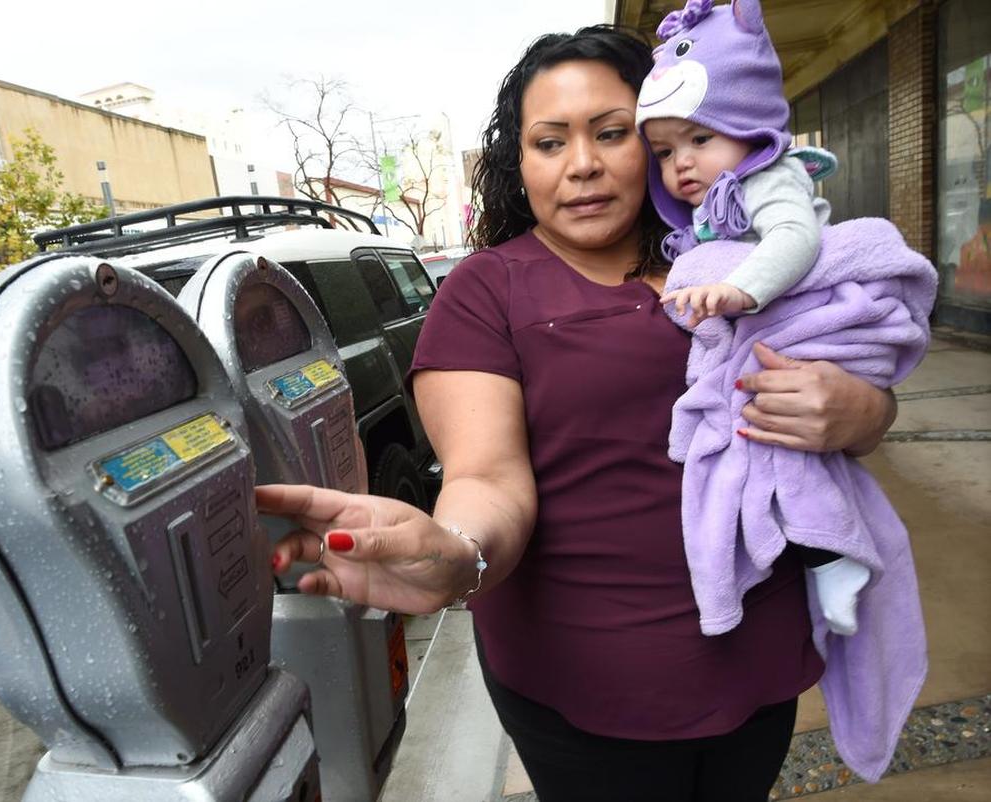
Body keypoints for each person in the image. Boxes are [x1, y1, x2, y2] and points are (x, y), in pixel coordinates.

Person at [261, 23, 899, 802]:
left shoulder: (743, 257)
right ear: (519, 163)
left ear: (660, 142)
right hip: (586, 684)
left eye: (612, 132)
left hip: (759, 647)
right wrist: (458, 552)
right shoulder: (486, 292)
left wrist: (864, 413)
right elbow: (487, 476)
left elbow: (852, 360)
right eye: (550, 142)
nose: (584, 164)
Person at [635, 0, 873, 637]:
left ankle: (831, 552)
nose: (680, 163)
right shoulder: (717, 197)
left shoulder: (766, 176)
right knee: (768, 447)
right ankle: (820, 553)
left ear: (749, 123)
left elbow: (794, 240)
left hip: (801, 316)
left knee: (781, 451)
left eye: (700, 138)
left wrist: (739, 290)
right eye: (662, 151)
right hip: (768, 324)